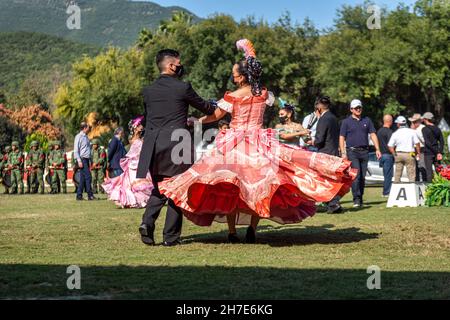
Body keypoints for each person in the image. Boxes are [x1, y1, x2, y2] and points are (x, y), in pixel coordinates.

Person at [158, 39, 356, 244]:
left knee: (231, 186)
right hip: (259, 141)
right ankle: (252, 229)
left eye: (235, 75)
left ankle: (232, 232)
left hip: (235, 143)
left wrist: (197, 120)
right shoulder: (264, 94)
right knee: (261, 186)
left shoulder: (233, 96)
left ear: (242, 77)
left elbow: (216, 115)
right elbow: (263, 97)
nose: (233, 78)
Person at [136, 49, 217, 247]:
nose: (181, 66)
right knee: (178, 190)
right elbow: (207, 108)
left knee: (159, 187)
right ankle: (170, 237)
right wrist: (195, 118)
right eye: (179, 63)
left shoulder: (148, 91)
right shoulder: (183, 88)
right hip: (177, 144)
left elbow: (148, 119)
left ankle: (147, 223)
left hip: (153, 145)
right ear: (172, 66)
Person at [103, 116, 153, 208]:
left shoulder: (141, 138)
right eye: (139, 125)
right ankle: (134, 201)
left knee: (141, 183)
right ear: (135, 128)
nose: (141, 127)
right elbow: (134, 152)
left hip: (139, 163)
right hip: (134, 164)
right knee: (135, 183)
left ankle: (140, 201)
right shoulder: (133, 139)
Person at [340, 99, 381, 208]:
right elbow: (342, 137)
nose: (358, 109)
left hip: (364, 151)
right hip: (352, 151)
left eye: (360, 107)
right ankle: (356, 199)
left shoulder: (367, 120)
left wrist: (377, 149)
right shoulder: (346, 122)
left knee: (363, 177)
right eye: (356, 108)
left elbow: (373, 134)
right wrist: (343, 152)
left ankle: (360, 197)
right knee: (356, 176)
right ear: (351, 109)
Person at [313, 96, 343, 213]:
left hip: (325, 153)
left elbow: (320, 139)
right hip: (334, 152)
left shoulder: (323, 119)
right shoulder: (334, 118)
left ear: (319, 107)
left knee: (324, 179)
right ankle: (333, 203)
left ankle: (333, 203)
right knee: (331, 179)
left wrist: (312, 141)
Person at [388, 116, 420, 183]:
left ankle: (396, 189)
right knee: (411, 173)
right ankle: (411, 189)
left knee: (397, 173)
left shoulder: (395, 133)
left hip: (399, 154)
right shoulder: (412, 132)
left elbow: (390, 146)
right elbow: (417, 143)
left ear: (398, 124)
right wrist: (418, 153)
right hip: (410, 154)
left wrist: (394, 154)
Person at [74, 122, 95, 200]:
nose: (89, 129)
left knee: (82, 179)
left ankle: (79, 195)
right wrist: (79, 161)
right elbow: (76, 150)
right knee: (88, 177)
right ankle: (90, 195)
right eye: (88, 127)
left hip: (86, 159)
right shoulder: (78, 137)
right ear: (84, 128)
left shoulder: (86, 137)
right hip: (82, 159)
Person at [422, 112, 445, 183]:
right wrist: (439, 152)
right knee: (439, 171)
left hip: (428, 153)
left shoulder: (424, 129)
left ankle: (430, 189)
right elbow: (442, 142)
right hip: (437, 153)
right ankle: (440, 187)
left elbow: (428, 143)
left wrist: (437, 152)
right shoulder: (437, 129)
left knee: (429, 172)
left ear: (426, 119)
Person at [377, 115, 394, 197]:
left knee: (385, 174)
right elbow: (391, 144)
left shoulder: (379, 131)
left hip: (381, 155)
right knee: (388, 175)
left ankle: (386, 191)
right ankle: (386, 192)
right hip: (388, 155)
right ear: (390, 121)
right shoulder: (389, 132)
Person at [409, 113, 426, 181]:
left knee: (422, 167)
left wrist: (414, 131)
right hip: (413, 150)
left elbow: (424, 140)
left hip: (421, 150)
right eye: (413, 122)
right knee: (415, 168)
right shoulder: (413, 129)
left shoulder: (422, 128)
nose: (413, 123)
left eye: (414, 122)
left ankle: (425, 182)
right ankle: (417, 181)